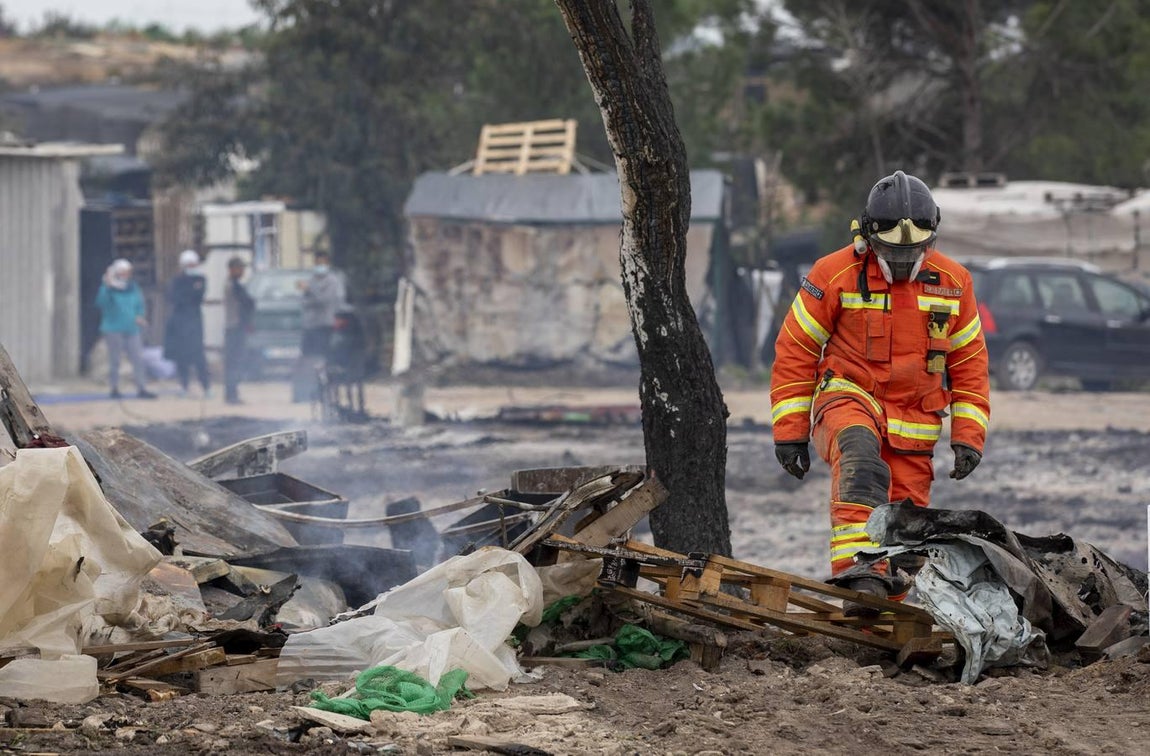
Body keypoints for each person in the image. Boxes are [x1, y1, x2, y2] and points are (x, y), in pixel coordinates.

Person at [769, 170, 990, 614]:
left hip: (915, 422)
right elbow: (796, 350)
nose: (904, 259)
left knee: (907, 530)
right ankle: (860, 577)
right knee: (861, 461)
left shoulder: (954, 283)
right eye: (893, 250)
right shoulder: (833, 275)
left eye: (914, 250)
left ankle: (882, 624)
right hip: (849, 397)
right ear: (868, 237)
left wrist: (968, 437)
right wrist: (789, 431)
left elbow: (969, 366)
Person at [94, 259, 157, 400]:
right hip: (113, 328)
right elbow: (101, 303)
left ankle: (141, 388)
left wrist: (140, 316)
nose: (126, 275)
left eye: (128, 272)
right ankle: (114, 388)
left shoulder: (133, 287)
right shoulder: (108, 288)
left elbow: (140, 304)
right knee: (115, 360)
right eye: (123, 272)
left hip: (132, 328)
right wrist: (107, 286)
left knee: (137, 359)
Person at [164, 249, 211, 398]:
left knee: (199, 357)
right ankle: (184, 386)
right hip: (180, 322)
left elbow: (197, 296)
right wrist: (188, 294)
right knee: (181, 356)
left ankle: (206, 387)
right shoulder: (177, 280)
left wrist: (187, 295)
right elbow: (173, 297)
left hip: (195, 322)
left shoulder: (201, 279)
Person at [298, 251, 346, 358]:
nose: (320, 266)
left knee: (322, 354)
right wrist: (307, 293)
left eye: (323, 263)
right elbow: (303, 301)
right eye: (318, 263)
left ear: (327, 264)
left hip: (325, 323)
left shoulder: (332, 281)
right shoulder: (311, 280)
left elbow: (325, 300)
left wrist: (310, 291)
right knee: (308, 355)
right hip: (310, 324)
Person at [223, 256, 256, 405]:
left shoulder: (235, 284)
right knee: (233, 362)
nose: (242, 271)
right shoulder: (233, 285)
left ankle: (232, 393)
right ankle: (231, 394)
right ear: (232, 269)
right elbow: (247, 302)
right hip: (234, 327)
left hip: (236, 327)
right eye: (240, 268)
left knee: (235, 362)